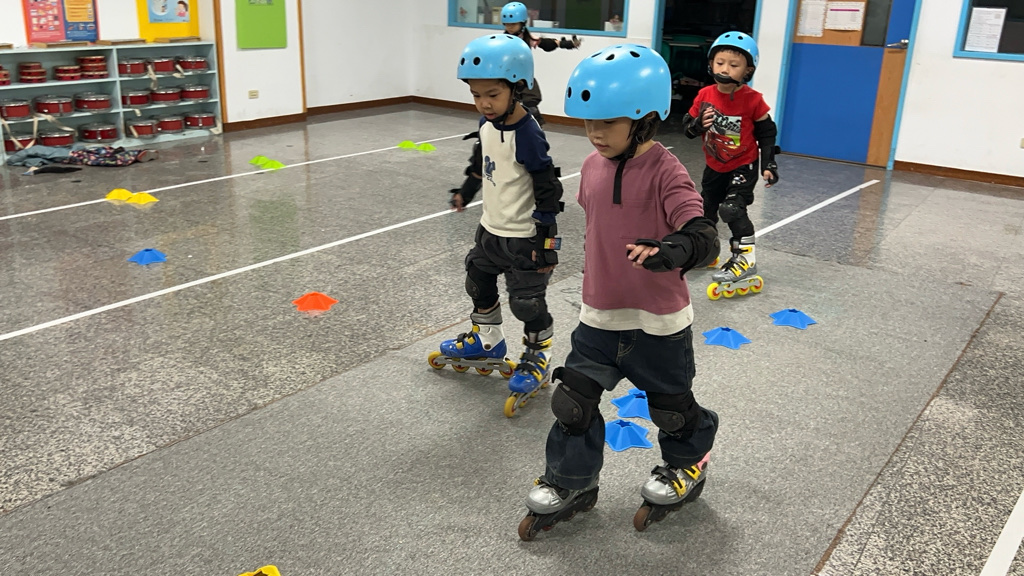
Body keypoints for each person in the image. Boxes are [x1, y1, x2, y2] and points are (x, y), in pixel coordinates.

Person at [517, 44, 720, 540]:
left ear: (645, 120)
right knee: (572, 403)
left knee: (671, 410)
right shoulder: (592, 166)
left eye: (608, 122)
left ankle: (689, 463)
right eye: (590, 122)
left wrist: (673, 249)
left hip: (658, 322)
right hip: (600, 316)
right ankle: (572, 482)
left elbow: (702, 233)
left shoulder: (667, 171)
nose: (596, 132)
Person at [427, 34, 564, 418]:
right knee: (477, 279)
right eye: (476, 95)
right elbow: (480, 164)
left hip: (525, 237)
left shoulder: (528, 133)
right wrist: (466, 191)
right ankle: (487, 340)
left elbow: (547, 186)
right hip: (491, 230)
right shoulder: (487, 125)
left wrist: (547, 240)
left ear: (517, 88)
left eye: (492, 94)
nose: (484, 103)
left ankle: (538, 354)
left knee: (526, 303)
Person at [448, 2, 581, 206]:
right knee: (486, 140)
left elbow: (547, 43)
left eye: (514, 24)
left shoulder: (526, 39)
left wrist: (568, 44)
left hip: (520, 86)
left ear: (522, 23)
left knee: (528, 122)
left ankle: (530, 161)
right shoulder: (502, 43)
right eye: (507, 25)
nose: (510, 28)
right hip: (503, 83)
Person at [681, 31, 780, 300]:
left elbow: (767, 132)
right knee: (706, 209)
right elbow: (687, 128)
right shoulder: (704, 95)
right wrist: (697, 125)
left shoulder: (753, 99)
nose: (725, 69)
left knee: (732, 208)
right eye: (720, 62)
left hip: (743, 165)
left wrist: (769, 164)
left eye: (734, 65)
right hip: (715, 164)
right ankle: (707, 251)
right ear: (711, 64)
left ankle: (745, 260)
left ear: (747, 71)